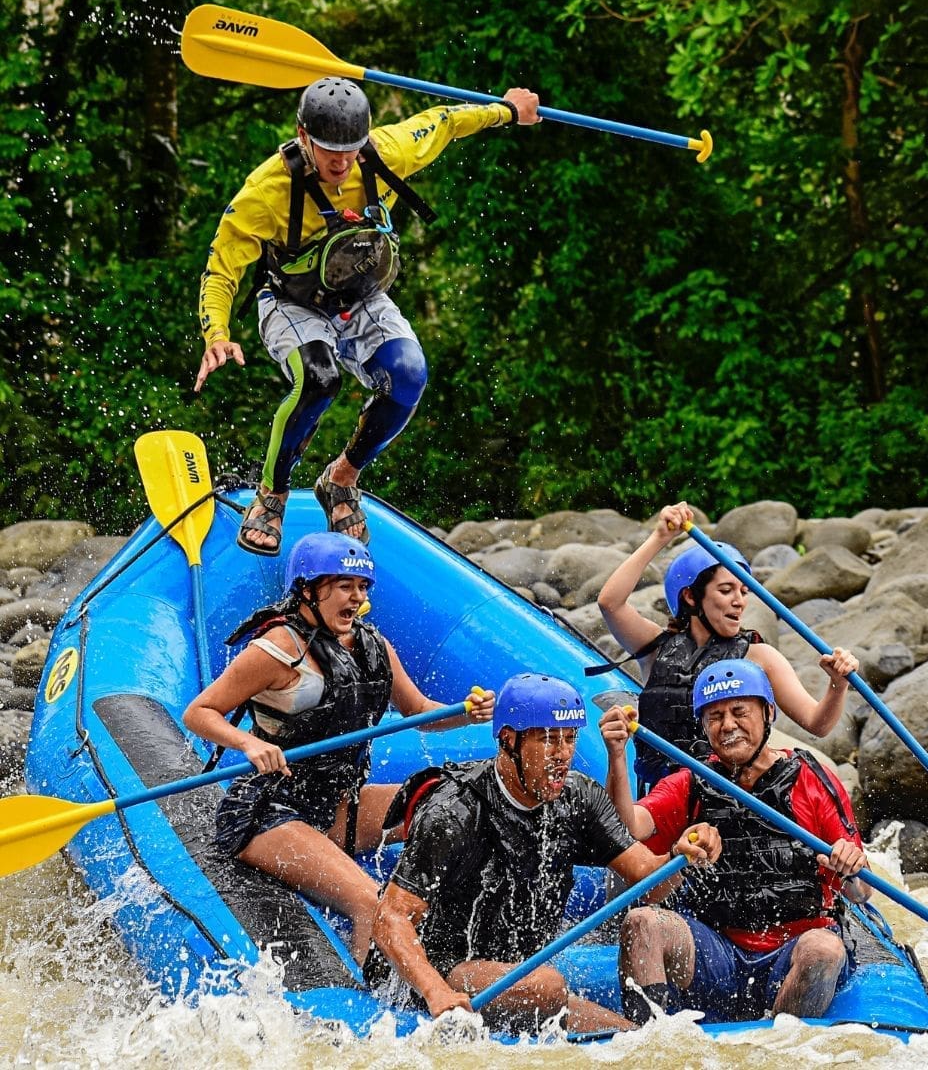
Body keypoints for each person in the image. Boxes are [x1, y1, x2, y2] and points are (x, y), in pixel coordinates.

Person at [195, 77, 542, 555]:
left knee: (409, 375)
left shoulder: (387, 152)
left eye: (351, 149)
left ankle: (340, 480)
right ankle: (270, 496)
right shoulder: (266, 191)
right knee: (319, 379)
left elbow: (444, 122)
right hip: (291, 302)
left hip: (359, 298)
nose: (341, 162)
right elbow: (222, 267)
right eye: (328, 150)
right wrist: (217, 331)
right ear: (302, 136)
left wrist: (505, 110)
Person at [181, 531, 494, 967]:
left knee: (449, 803)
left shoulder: (374, 647)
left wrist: (467, 712)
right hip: (272, 810)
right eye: (344, 585)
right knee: (373, 900)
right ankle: (373, 1008)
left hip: (338, 807)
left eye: (362, 587)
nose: (356, 597)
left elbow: (419, 709)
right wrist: (248, 742)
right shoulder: (276, 650)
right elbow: (200, 712)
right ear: (309, 590)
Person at [367, 672, 721, 1034]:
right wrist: (435, 991)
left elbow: (649, 881)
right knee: (547, 986)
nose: (563, 755)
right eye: (549, 740)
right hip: (441, 971)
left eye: (569, 740)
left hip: (513, 980)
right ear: (509, 739)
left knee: (637, 1039)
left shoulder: (578, 798)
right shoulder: (453, 810)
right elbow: (389, 918)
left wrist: (681, 856)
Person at [599, 659, 871, 1025]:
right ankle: (649, 1044)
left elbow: (861, 892)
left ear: (768, 713)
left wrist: (851, 866)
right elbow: (625, 825)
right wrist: (617, 755)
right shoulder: (692, 781)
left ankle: (777, 1051)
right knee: (642, 922)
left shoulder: (812, 779)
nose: (727, 726)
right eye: (715, 717)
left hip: (792, 950)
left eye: (739, 712)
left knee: (823, 948)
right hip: (718, 953)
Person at [596, 500, 859, 787]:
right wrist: (660, 537)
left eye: (744, 591)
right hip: (662, 800)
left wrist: (837, 684)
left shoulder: (760, 656)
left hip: (728, 801)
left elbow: (817, 724)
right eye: (726, 590)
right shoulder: (656, 647)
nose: (739, 601)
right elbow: (610, 603)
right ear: (690, 597)